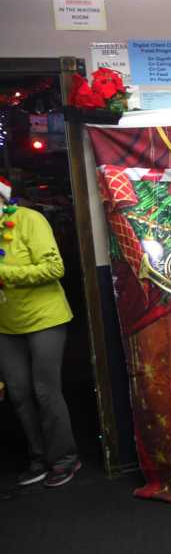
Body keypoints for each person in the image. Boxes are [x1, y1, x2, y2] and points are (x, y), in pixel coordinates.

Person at [0, 176, 80, 488]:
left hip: (45, 318)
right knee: (19, 394)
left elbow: (54, 268)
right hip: (6, 323)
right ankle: (39, 458)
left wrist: (5, 274)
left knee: (45, 391)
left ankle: (64, 459)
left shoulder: (28, 220)